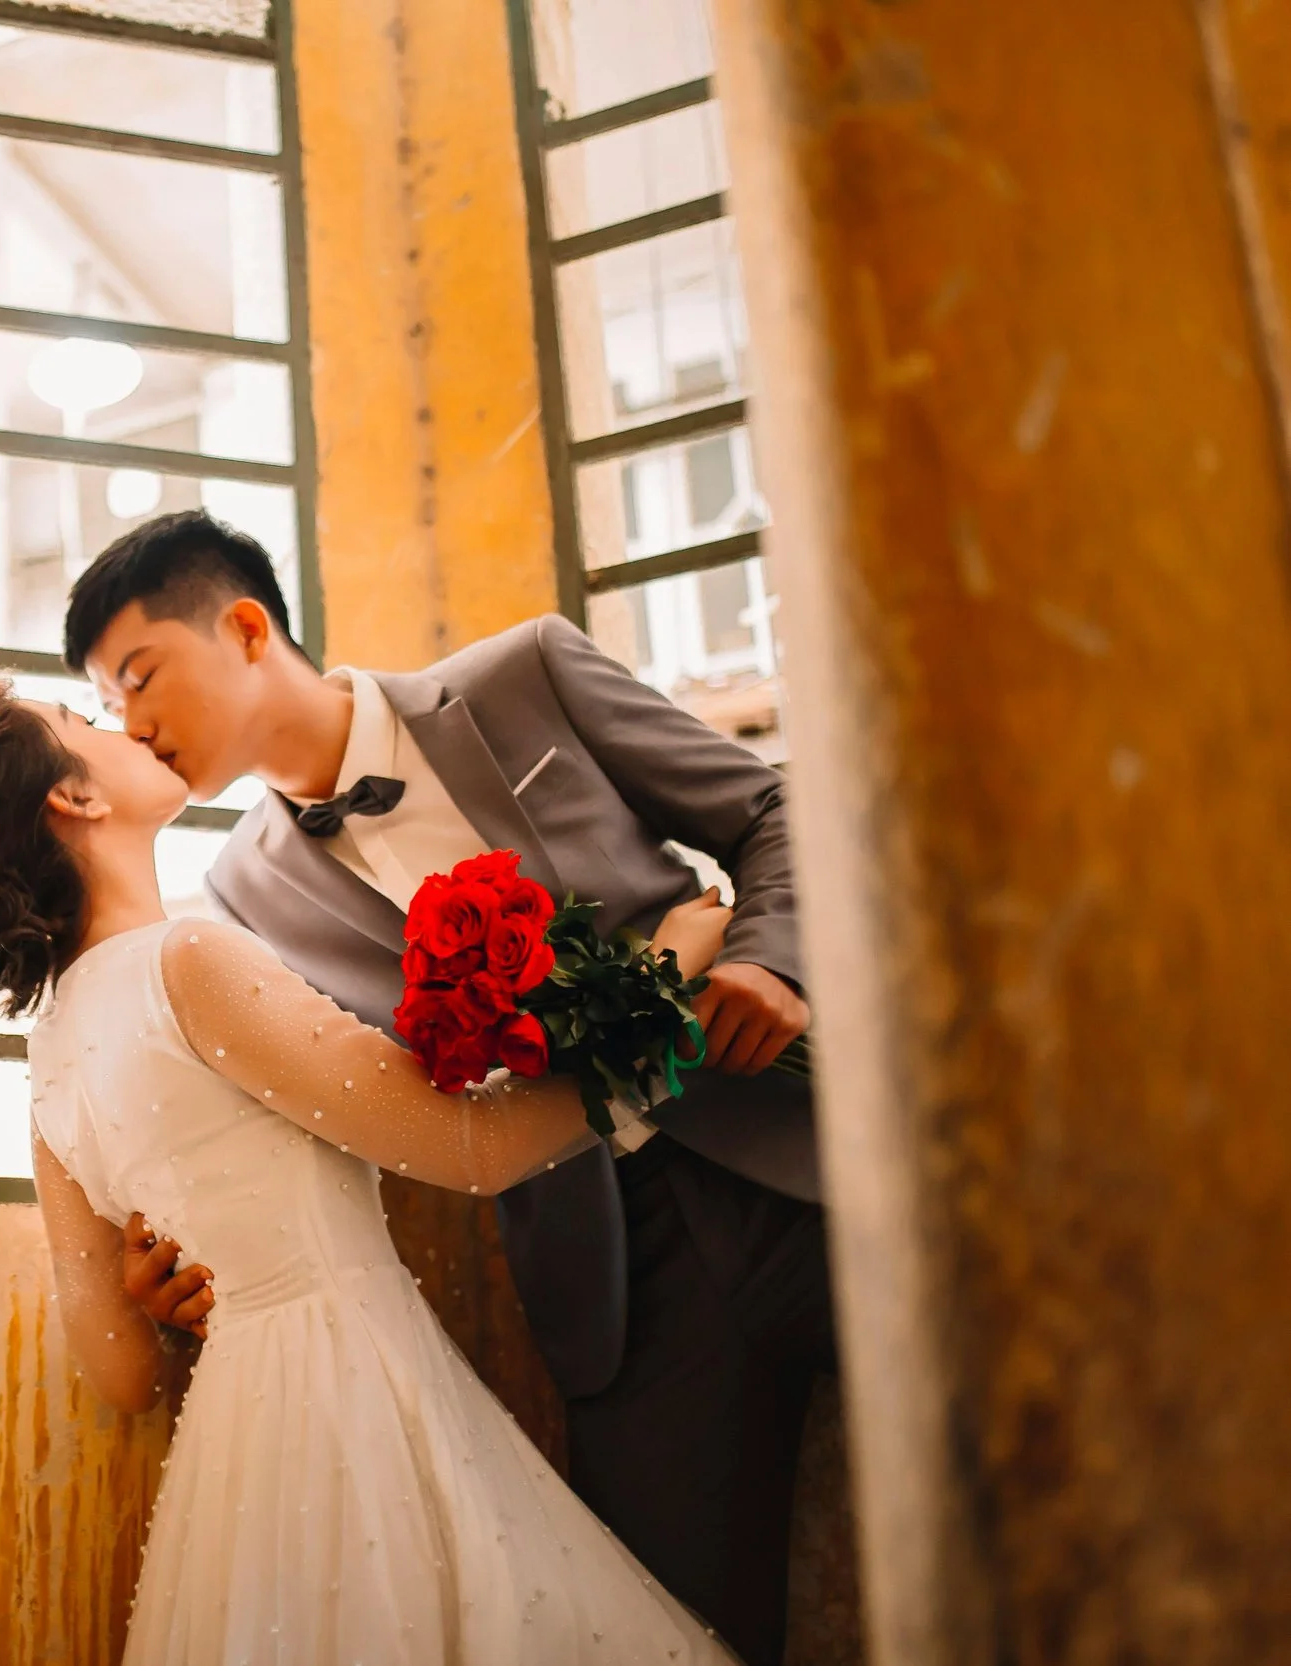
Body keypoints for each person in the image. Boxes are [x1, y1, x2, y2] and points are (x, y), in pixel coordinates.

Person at [0, 678, 740, 1664]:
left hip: (235, 1449)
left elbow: (121, 1370)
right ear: (74, 798)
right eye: (86, 723)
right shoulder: (189, 961)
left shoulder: (48, 1068)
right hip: (349, 1398)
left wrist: (152, 1292)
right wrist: (664, 985)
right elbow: (474, 1149)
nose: (123, 723)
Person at [62, 510, 836, 1666]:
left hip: (798, 1150)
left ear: (242, 625)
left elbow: (772, 812)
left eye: (137, 677)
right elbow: (315, 1114)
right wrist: (174, 1247)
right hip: (617, 1277)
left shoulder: (525, 674)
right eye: (107, 705)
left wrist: (770, 957)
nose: (131, 725)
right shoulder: (234, 908)